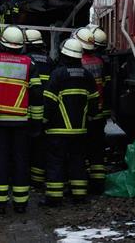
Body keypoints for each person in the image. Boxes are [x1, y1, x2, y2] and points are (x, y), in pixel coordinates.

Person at [0, 26, 42, 215]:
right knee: (20, 161)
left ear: (2, 42)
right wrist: (36, 123)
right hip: (21, 122)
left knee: (0, 161)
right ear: (21, 45)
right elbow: (37, 94)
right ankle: (20, 203)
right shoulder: (30, 64)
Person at [42, 38, 98, 206]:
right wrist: (91, 117)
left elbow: (49, 101)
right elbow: (94, 101)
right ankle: (80, 195)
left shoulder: (58, 75)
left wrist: (43, 121)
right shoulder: (87, 76)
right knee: (78, 162)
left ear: (64, 55)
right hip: (79, 130)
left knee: (55, 162)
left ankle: (54, 198)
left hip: (57, 130)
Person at [76, 27, 110, 193]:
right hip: (98, 111)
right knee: (97, 148)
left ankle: (81, 183)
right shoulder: (99, 62)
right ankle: (98, 183)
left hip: (83, 114)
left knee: (80, 149)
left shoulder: (79, 63)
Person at [23, 28, 54, 188]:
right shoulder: (49, 61)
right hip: (44, 109)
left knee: (24, 144)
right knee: (40, 145)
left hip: (26, 109)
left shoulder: (25, 59)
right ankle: (37, 178)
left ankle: (24, 176)